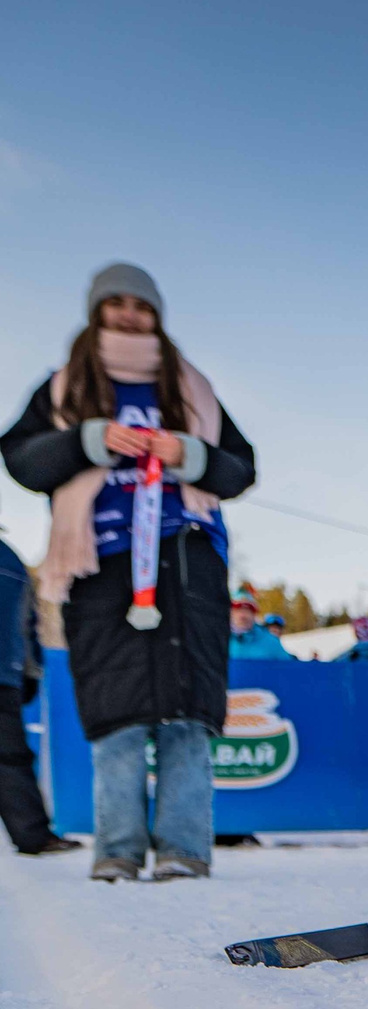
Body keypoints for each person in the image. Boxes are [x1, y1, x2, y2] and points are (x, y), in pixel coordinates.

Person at [1, 263, 256, 881]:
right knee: (115, 710)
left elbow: (241, 469)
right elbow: (22, 459)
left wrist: (190, 454)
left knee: (188, 710)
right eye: (115, 303)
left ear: (157, 315)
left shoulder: (190, 386)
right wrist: (88, 440)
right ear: (96, 312)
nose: (129, 314)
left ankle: (184, 849)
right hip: (98, 564)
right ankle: (117, 849)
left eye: (141, 306)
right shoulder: (62, 387)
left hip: (187, 562)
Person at [0, 524, 80, 856]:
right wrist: (30, 670)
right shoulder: (11, 559)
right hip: (6, 672)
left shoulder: (10, 560)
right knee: (10, 757)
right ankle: (34, 836)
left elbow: (27, 621)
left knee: (11, 757)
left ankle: (34, 835)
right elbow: (29, 623)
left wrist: (29, 669)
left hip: (6, 672)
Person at [228, 589, 292, 659]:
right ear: (230, 612)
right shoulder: (221, 639)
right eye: (238, 610)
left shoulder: (270, 642)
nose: (243, 616)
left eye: (248, 611)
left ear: (254, 615)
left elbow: (287, 664)